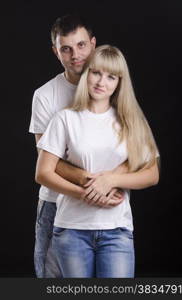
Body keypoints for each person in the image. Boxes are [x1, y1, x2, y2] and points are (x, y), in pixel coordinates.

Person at [35, 44, 160, 278]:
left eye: (111, 76)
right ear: (87, 74)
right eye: (96, 73)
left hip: (117, 231)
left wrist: (111, 179)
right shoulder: (65, 119)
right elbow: (43, 173)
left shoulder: (131, 121)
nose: (102, 82)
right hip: (72, 229)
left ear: (119, 82)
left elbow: (152, 174)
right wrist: (83, 193)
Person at [29, 15, 125, 278]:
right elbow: (47, 159)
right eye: (66, 49)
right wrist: (92, 182)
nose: (75, 55)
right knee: (54, 283)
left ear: (93, 44)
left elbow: (135, 149)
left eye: (81, 45)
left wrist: (112, 181)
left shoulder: (114, 89)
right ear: (55, 51)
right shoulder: (45, 95)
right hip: (56, 202)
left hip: (108, 203)